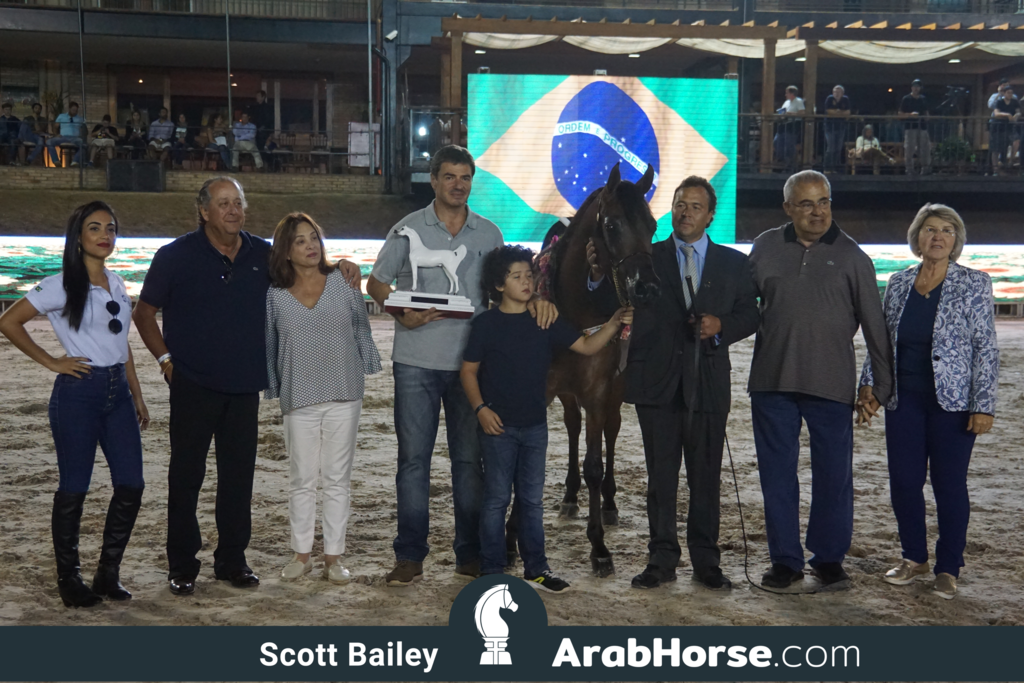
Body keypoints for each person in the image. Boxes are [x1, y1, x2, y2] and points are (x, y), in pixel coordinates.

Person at [133, 177, 361, 597]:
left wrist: (343, 265)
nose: (233, 210)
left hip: (244, 389)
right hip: (192, 386)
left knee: (238, 479)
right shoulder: (174, 256)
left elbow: (309, 267)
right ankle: (182, 565)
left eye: (238, 202)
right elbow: (144, 313)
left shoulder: (264, 254)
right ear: (204, 211)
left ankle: (232, 561)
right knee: (186, 478)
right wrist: (166, 362)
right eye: (223, 204)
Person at [366, 145, 557, 587]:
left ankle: (469, 553)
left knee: (469, 463)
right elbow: (377, 281)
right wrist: (400, 312)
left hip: (471, 366)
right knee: (413, 462)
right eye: (449, 176)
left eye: (465, 177)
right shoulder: (408, 228)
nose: (458, 185)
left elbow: (509, 287)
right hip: (415, 361)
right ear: (433, 180)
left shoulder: (488, 234)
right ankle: (410, 554)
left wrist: (539, 301)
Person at [591, 177, 760, 591]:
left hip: (707, 384)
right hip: (657, 383)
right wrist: (597, 275)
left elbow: (751, 314)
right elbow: (611, 302)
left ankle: (706, 561)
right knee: (660, 479)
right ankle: (661, 558)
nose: (685, 212)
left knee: (706, 478)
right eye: (679, 204)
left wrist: (721, 327)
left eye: (695, 206)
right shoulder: (646, 255)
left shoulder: (734, 263)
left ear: (710, 215)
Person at [747, 170, 893, 592]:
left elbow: (875, 327)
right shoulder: (765, 247)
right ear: (788, 208)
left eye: (824, 201)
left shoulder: (852, 257)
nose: (817, 211)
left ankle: (828, 559)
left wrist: (881, 387)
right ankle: (786, 562)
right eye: (807, 203)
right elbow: (740, 306)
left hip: (831, 385)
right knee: (777, 477)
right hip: (771, 382)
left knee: (833, 477)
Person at [0, 202, 147, 608]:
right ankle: (69, 577)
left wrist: (136, 393)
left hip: (117, 392)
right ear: (78, 236)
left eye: (111, 228)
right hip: (78, 393)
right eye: (95, 228)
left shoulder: (117, 282)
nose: (105, 235)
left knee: (132, 484)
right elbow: (9, 321)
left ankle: (107, 573)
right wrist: (52, 362)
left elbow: (122, 345)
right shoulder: (60, 283)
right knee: (74, 488)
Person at [461, 246, 631, 594]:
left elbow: (585, 346)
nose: (527, 282)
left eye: (529, 275)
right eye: (516, 276)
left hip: (536, 428)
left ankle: (536, 567)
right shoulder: (485, 325)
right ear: (497, 285)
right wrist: (481, 409)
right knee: (496, 499)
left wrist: (613, 324)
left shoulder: (546, 321)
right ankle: (492, 569)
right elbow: (468, 371)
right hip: (498, 428)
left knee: (532, 500)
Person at [858, 204, 998, 600]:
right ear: (917, 237)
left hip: (953, 404)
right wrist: (869, 385)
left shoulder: (974, 283)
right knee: (904, 483)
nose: (938, 236)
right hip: (904, 400)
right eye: (930, 229)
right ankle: (914, 558)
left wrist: (983, 404)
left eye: (947, 230)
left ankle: (948, 567)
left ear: (956, 241)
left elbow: (985, 348)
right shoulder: (899, 283)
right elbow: (882, 343)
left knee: (948, 485)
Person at [265, 213, 382, 585]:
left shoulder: (345, 283)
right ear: (285, 251)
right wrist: (273, 386)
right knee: (301, 479)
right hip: (298, 394)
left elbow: (361, 328)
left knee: (337, 479)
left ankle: (334, 558)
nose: (310, 246)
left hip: (344, 392)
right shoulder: (275, 295)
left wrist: (369, 364)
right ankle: (301, 555)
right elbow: (270, 346)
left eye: (313, 237)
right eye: (299, 241)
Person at [899, 79, 931, 175]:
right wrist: (910, 115)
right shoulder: (906, 99)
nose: (916, 88)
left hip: (922, 127)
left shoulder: (923, 99)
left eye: (918, 86)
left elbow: (926, 112)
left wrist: (927, 117)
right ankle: (909, 169)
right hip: (910, 127)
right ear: (912, 87)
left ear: (920, 88)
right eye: (914, 86)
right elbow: (900, 114)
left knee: (924, 149)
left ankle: (925, 169)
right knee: (909, 149)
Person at [989, 85, 1020, 176]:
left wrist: (1017, 115)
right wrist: (1007, 115)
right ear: (1004, 93)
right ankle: (995, 168)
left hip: (1009, 127)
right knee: (996, 148)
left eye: (1011, 93)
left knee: (1016, 141)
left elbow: (1018, 111)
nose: (1010, 94)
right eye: (1008, 93)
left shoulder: (1014, 102)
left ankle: (1011, 161)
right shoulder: (999, 101)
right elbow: (996, 113)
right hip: (998, 127)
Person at [773, 86, 805, 171]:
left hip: (792, 125)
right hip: (783, 125)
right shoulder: (786, 102)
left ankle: (790, 165)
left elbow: (802, 113)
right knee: (777, 142)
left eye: (787, 93)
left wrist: (789, 113)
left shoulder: (798, 101)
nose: (785, 95)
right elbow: (783, 111)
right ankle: (783, 161)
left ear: (792, 94)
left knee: (789, 145)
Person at [47, 102, 85, 167]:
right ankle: (56, 161)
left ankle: (75, 161)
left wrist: (81, 136)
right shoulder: (61, 116)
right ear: (69, 109)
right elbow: (55, 126)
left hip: (75, 138)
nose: (74, 112)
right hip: (63, 137)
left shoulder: (80, 119)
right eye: (73, 110)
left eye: (76, 110)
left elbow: (84, 129)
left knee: (84, 145)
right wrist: (56, 134)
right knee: (49, 142)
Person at [823, 85, 850, 173]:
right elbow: (829, 112)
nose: (836, 94)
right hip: (829, 127)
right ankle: (827, 168)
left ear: (842, 93)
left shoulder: (845, 99)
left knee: (838, 148)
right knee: (831, 147)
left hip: (841, 127)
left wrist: (837, 112)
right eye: (834, 92)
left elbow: (848, 113)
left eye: (838, 92)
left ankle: (834, 168)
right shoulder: (829, 99)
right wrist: (841, 113)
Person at [15, 102, 48, 166]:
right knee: (24, 123)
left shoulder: (43, 119)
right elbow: (24, 129)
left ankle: (29, 159)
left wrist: (35, 119)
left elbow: (39, 130)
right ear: (33, 109)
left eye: (39, 108)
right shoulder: (28, 118)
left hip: (37, 136)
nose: (37, 109)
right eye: (36, 108)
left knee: (41, 143)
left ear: (41, 110)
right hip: (28, 136)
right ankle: (19, 139)